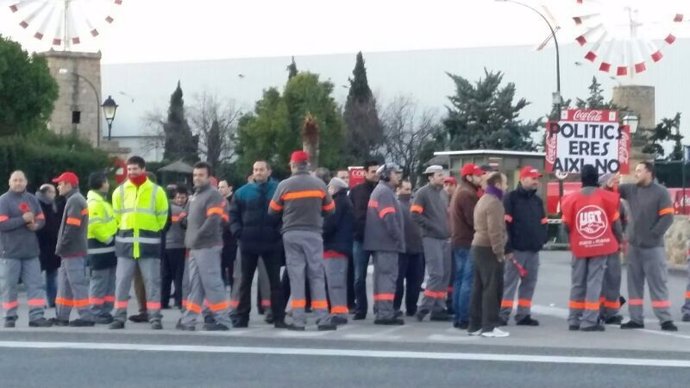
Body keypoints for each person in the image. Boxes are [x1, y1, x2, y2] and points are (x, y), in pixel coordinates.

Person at [269, 150, 336, 331]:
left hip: (291, 234)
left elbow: (272, 210)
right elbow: (330, 209)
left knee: (296, 275)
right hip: (313, 234)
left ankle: (298, 320)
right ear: (307, 165)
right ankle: (322, 318)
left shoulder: (284, 185)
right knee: (316, 274)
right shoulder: (319, 184)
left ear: (292, 165)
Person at [109, 156, 169, 330]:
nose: (132, 172)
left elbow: (162, 217)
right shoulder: (119, 191)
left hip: (148, 244)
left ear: (143, 169)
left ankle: (155, 317)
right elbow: (116, 217)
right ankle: (119, 317)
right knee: (121, 283)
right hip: (126, 244)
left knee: (152, 282)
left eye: (135, 169)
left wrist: (150, 230)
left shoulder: (157, 192)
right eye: (130, 169)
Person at [562, 165, 622, 332]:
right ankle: (589, 320)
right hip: (601, 245)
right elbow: (616, 224)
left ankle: (574, 319)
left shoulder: (570, 199)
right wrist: (620, 241)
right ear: (597, 178)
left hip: (579, 246)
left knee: (577, 282)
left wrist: (574, 237)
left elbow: (565, 225)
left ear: (582, 178)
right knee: (594, 282)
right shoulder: (608, 198)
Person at [618, 161, 678, 331]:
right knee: (634, 285)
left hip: (653, 248)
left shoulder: (661, 192)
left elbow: (667, 218)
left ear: (649, 173)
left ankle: (665, 319)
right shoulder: (630, 189)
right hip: (634, 247)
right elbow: (610, 190)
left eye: (639, 170)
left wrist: (652, 234)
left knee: (658, 284)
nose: (635, 173)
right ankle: (636, 318)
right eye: (635, 170)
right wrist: (609, 182)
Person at [229, 160, 286, 329]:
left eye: (261, 169)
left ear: (269, 171)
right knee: (244, 282)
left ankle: (278, 317)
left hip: (272, 242)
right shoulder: (242, 192)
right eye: (255, 169)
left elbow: (286, 212)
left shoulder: (278, 190)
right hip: (248, 242)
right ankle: (242, 317)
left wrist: (278, 232)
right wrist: (239, 233)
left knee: (275, 283)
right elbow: (233, 215)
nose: (258, 172)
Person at [177, 162, 233, 331]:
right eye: (195, 175)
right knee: (196, 285)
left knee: (212, 283)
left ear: (209, 177)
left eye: (201, 175)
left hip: (207, 246)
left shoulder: (213, 195)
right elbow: (190, 217)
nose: (197, 178)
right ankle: (189, 320)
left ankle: (223, 320)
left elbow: (214, 220)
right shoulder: (196, 195)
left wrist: (197, 235)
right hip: (195, 246)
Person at [0, 171, 52, 328]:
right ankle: (9, 317)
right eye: (15, 180)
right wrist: (22, 219)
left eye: (20, 180)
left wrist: (36, 225)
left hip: (31, 252)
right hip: (9, 252)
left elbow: (41, 219)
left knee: (35, 285)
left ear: (26, 182)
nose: (18, 183)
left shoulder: (32, 199)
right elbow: (2, 224)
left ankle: (36, 316)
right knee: (9, 286)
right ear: (9, 182)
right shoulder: (3, 200)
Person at [499, 166, 547, 327]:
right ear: (522, 179)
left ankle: (523, 314)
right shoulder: (510, 198)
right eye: (533, 178)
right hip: (516, 249)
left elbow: (543, 223)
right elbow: (505, 225)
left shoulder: (537, 201)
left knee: (529, 283)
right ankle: (502, 314)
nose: (536, 181)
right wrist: (508, 248)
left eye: (537, 178)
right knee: (509, 283)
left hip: (533, 249)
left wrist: (541, 240)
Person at [468, 172, 509, 338]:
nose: (507, 187)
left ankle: (475, 325)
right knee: (492, 288)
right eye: (505, 183)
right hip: (488, 248)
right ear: (498, 184)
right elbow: (495, 230)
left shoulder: (483, 199)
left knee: (478, 288)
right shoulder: (494, 203)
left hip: (478, 245)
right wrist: (499, 252)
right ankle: (489, 326)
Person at [364, 163, 405, 325]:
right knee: (387, 279)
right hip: (387, 243)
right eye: (395, 173)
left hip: (381, 243)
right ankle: (385, 313)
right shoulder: (385, 193)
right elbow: (389, 219)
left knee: (382, 279)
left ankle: (382, 310)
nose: (398, 176)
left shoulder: (380, 191)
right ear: (386, 175)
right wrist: (399, 238)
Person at [52, 171, 94, 327]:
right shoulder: (75, 199)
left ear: (69, 185)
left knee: (76, 284)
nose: (58, 186)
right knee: (66, 285)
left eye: (60, 183)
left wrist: (61, 246)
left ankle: (86, 316)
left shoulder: (74, 201)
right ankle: (62, 316)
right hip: (71, 251)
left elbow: (71, 227)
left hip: (71, 250)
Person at [412, 165, 452, 322]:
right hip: (430, 238)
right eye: (439, 175)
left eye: (443, 174)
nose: (442, 177)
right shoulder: (422, 193)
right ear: (430, 177)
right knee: (436, 274)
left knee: (444, 275)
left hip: (444, 239)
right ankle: (424, 308)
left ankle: (439, 308)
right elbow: (415, 214)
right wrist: (432, 226)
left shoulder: (443, 193)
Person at [449, 163, 484, 330]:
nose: (481, 177)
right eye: (477, 175)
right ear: (469, 177)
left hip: (459, 240)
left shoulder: (461, 191)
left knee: (460, 279)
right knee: (467, 281)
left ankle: (458, 316)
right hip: (467, 241)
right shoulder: (468, 194)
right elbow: (474, 219)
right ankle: (464, 317)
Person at [598, 173, 630, 325]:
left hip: (612, 246)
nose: (617, 184)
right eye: (614, 181)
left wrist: (622, 240)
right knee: (598, 280)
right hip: (598, 245)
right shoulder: (597, 198)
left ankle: (611, 312)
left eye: (618, 181)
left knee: (613, 279)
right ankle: (598, 310)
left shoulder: (620, 202)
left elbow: (624, 223)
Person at [86, 172, 118, 324]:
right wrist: (110, 239)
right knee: (100, 282)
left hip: (107, 249)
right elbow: (95, 225)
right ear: (103, 183)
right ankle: (96, 311)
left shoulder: (101, 201)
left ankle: (105, 310)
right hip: (101, 248)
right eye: (106, 181)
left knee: (109, 282)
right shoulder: (95, 203)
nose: (108, 184)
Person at [349, 160, 380, 320]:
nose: (376, 174)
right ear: (365, 173)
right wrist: (356, 231)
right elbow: (352, 214)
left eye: (377, 171)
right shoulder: (357, 191)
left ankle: (379, 307)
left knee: (380, 276)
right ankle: (361, 308)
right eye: (373, 171)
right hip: (360, 239)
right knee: (358, 277)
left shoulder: (382, 190)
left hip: (378, 239)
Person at [323, 177, 354, 325]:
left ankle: (338, 312)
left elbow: (330, 225)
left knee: (334, 282)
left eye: (329, 188)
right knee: (339, 281)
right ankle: (339, 310)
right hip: (343, 247)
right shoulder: (346, 202)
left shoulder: (336, 203)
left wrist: (319, 232)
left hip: (334, 247)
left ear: (334, 189)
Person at [394, 180, 424, 317]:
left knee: (415, 281)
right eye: (405, 189)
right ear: (398, 190)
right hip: (402, 250)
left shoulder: (414, 205)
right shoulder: (396, 205)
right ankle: (395, 307)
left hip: (416, 248)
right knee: (398, 281)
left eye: (410, 189)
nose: (408, 192)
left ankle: (411, 308)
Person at [161, 186, 188, 309]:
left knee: (165, 275)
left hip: (165, 246)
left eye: (182, 197)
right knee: (178, 275)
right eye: (179, 197)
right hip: (178, 246)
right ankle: (179, 301)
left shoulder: (166, 208)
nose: (181, 200)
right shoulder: (182, 211)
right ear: (174, 198)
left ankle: (163, 302)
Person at [35, 183, 61, 308]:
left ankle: (52, 300)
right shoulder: (37, 204)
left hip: (51, 246)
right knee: (37, 276)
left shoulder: (52, 205)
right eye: (52, 192)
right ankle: (41, 301)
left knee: (52, 275)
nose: (54, 195)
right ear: (46, 193)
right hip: (40, 245)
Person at [218, 180, 237, 288]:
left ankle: (234, 295)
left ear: (230, 188)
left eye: (223, 187)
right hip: (220, 238)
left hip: (231, 239)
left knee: (231, 268)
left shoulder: (234, 200)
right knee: (220, 266)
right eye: (219, 187)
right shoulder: (218, 201)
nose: (220, 189)